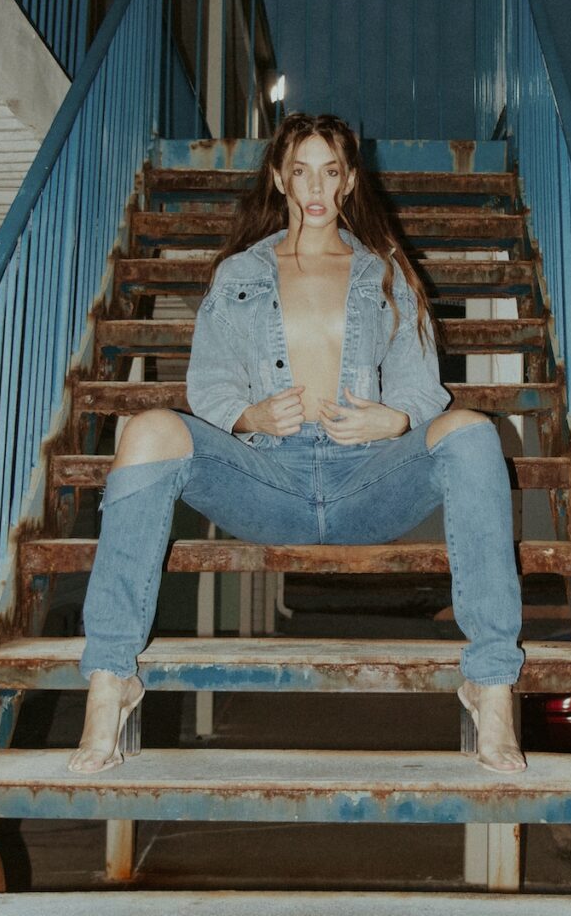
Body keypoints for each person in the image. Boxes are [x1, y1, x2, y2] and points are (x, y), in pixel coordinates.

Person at [69, 113, 526, 775]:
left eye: (330, 170)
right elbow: (208, 382)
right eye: (302, 169)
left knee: (473, 433)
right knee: (147, 429)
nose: (315, 185)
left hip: (367, 481)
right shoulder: (237, 275)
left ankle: (489, 684)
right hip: (267, 480)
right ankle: (111, 679)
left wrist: (394, 423)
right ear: (279, 176)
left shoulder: (386, 273)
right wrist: (248, 413)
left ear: (347, 181)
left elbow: (422, 390)